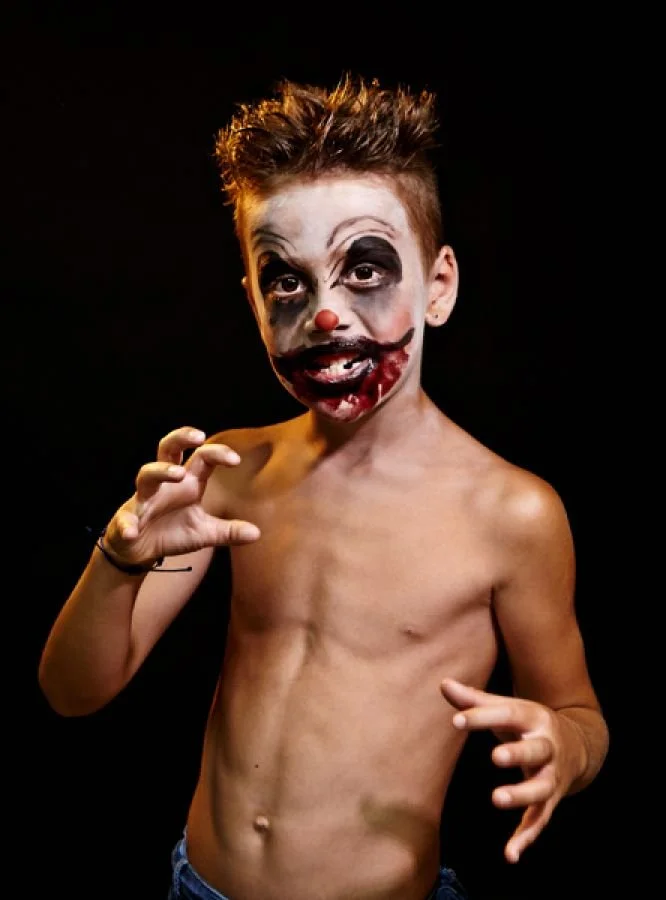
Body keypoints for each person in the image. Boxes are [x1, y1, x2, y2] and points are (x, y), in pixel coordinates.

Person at [38, 74, 609, 900]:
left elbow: (579, 713)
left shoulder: (509, 512)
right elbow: (71, 692)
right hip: (201, 887)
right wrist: (119, 561)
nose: (326, 316)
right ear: (252, 302)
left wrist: (566, 747)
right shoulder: (231, 474)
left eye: (365, 269)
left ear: (438, 286)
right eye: (286, 280)